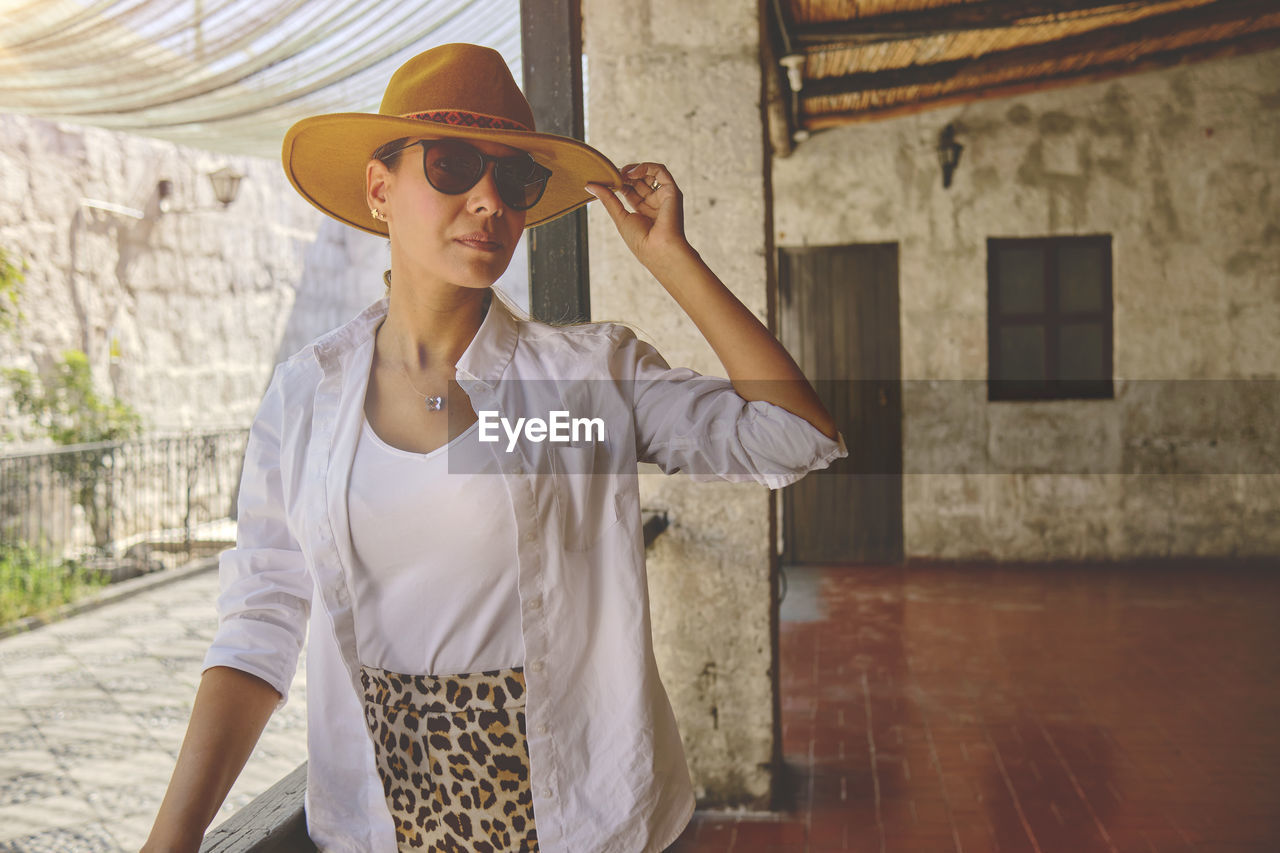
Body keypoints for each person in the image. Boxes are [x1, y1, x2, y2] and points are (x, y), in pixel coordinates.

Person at [142, 43, 845, 853]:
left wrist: (668, 259)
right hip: (374, 827)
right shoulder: (307, 396)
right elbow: (259, 624)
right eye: (452, 164)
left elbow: (795, 437)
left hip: (580, 819)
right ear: (380, 188)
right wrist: (172, 839)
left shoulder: (578, 384)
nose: (488, 199)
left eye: (514, 179)